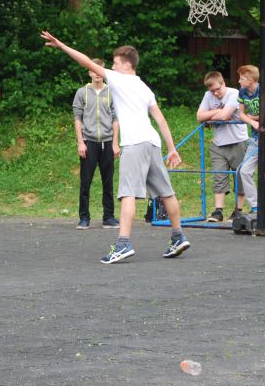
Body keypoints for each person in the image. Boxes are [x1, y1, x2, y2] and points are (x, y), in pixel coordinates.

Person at [40, 31, 190, 262]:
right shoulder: (144, 87)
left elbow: (86, 62)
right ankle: (178, 236)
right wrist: (171, 148)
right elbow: (160, 119)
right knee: (166, 192)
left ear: (127, 65)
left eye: (115, 63)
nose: (112, 66)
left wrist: (61, 45)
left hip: (134, 143)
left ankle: (123, 244)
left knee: (128, 193)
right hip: (152, 143)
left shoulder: (119, 79)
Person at [73, 59, 121, 229]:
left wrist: (115, 143)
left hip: (107, 142)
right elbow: (77, 118)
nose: (97, 73)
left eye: (100, 70)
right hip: (89, 142)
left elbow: (116, 119)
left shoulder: (112, 92)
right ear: (89, 72)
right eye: (94, 70)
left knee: (108, 182)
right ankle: (84, 218)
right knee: (85, 182)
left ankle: (108, 217)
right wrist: (81, 142)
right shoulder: (82, 92)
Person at [196, 71, 248, 223]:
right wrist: (218, 111)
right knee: (219, 176)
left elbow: (225, 116)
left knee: (240, 176)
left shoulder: (234, 93)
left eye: (218, 89)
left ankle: (238, 210)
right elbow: (199, 116)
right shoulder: (208, 96)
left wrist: (211, 116)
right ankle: (218, 211)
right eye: (212, 91)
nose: (215, 93)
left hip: (237, 140)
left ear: (223, 83)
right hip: (219, 143)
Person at [235, 65, 265, 217]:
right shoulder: (242, 92)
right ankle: (255, 205)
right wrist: (252, 121)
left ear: (251, 80)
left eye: (242, 78)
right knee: (245, 170)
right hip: (255, 136)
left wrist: (252, 117)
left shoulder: (263, 91)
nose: (239, 81)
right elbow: (241, 114)